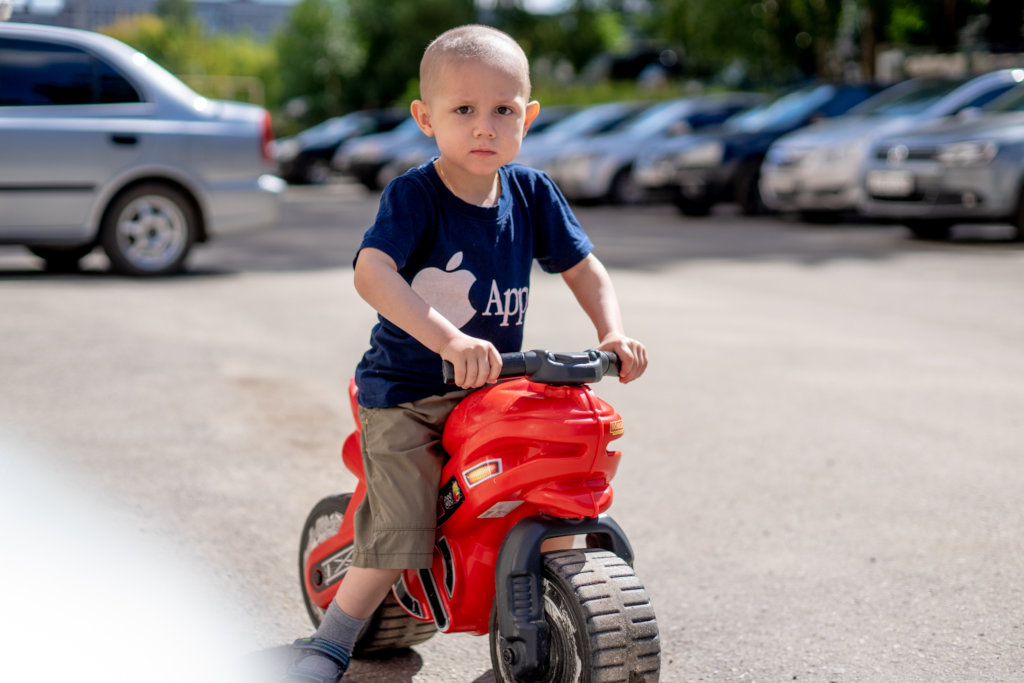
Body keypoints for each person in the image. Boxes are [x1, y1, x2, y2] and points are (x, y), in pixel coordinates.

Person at [284, 24, 648, 682]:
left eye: (503, 110)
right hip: (409, 392)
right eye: (463, 109)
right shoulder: (415, 196)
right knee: (405, 519)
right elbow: (372, 272)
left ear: (527, 118)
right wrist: (447, 340)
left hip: (489, 387)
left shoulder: (532, 193)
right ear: (426, 119)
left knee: (543, 468)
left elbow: (584, 268)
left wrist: (612, 333)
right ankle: (331, 643)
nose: (485, 126)